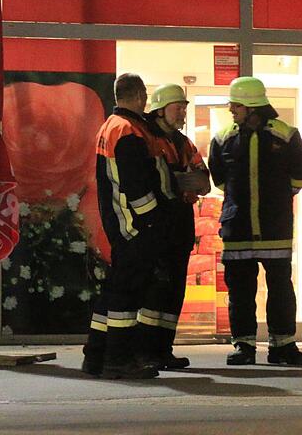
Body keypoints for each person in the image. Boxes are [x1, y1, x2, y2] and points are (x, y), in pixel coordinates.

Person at [209, 76, 302, 366]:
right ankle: (244, 346)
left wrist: (276, 200)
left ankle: (283, 346)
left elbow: (300, 175)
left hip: (274, 227)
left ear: (252, 107)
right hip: (238, 227)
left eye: (236, 105)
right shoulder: (222, 138)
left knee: (280, 288)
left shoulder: (286, 135)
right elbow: (219, 179)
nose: (232, 110)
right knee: (241, 291)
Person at [82, 73, 167, 380]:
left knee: (113, 291)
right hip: (134, 226)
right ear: (140, 96)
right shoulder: (130, 131)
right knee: (127, 296)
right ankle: (118, 359)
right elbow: (137, 185)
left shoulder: (109, 127)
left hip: (119, 223)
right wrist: (152, 220)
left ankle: (95, 355)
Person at [138, 83, 210, 370]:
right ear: (159, 110)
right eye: (177, 107)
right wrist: (180, 180)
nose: (182, 112)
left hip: (180, 222)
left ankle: (163, 349)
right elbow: (156, 182)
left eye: (184, 107)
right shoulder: (146, 140)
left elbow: (202, 179)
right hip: (157, 221)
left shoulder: (183, 143)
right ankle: (145, 350)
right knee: (154, 289)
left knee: (174, 290)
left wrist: (184, 180)